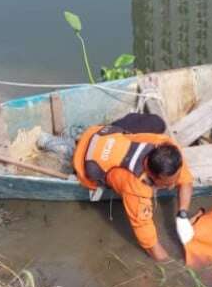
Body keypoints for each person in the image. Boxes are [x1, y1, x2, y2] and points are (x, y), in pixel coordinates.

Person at [72, 112, 194, 262]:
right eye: (168, 184)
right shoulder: (136, 189)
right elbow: (150, 242)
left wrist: (182, 214)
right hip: (84, 160)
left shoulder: (163, 144)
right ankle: (65, 146)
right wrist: (169, 266)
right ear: (153, 177)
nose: (172, 186)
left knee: (158, 123)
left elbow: (186, 180)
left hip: (102, 135)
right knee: (82, 165)